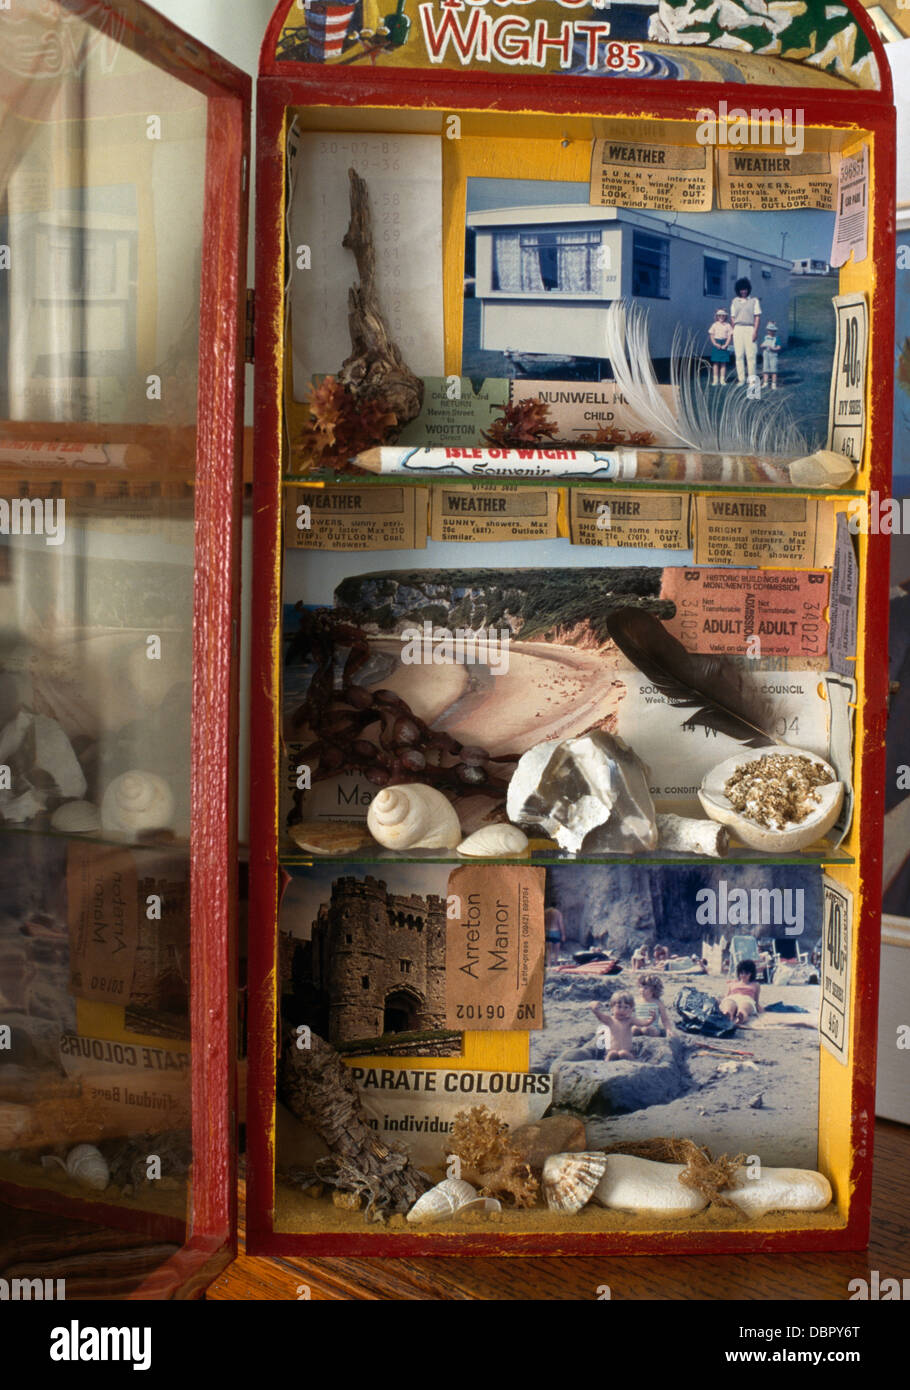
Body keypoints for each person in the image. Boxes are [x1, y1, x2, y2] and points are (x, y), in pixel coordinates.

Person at [730, 277, 762, 385]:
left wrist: (755, 331)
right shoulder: (734, 301)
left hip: (750, 328)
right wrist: (734, 330)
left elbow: (757, 317)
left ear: (748, 289)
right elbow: (733, 317)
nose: (743, 291)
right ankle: (741, 379)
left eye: (745, 289)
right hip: (738, 329)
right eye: (741, 289)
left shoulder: (754, 301)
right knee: (739, 355)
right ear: (738, 290)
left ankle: (752, 380)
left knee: (751, 355)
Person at [719, 958, 763, 1025]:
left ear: (751, 973)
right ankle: (728, 1015)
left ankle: (741, 1018)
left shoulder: (756, 985)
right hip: (732, 998)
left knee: (743, 1008)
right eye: (741, 973)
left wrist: (758, 1007)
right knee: (729, 1005)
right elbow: (726, 997)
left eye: (746, 973)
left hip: (747, 999)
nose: (743, 975)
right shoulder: (732, 983)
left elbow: (756, 1000)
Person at [707, 308, 733, 385]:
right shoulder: (714, 325)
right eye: (719, 316)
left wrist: (726, 345)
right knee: (715, 363)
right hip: (717, 343)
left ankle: (722, 379)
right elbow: (711, 335)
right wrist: (715, 343)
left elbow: (729, 336)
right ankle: (715, 380)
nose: (721, 317)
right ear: (717, 316)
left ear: (725, 316)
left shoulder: (728, 325)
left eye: (723, 316)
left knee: (723, 363)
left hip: (724, 343)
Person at [760, 320, 782, 390]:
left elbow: (779, 347)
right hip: (766, 354)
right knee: (765, 369)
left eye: (772, 330)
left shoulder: (776, 338)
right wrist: (762, 346)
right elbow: (762, 345)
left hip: (773, 355)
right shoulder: (765, 337)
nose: (770, 332)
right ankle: (765, 382)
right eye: (769, 330)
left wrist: (773, 348)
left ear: (774, 331)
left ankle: (773, 383)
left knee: (773, 369)